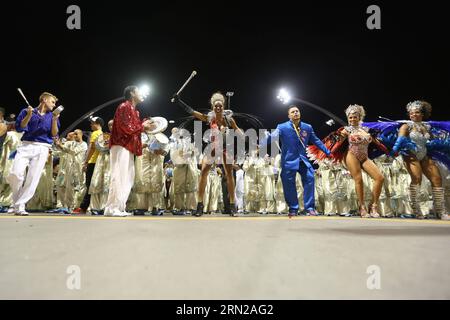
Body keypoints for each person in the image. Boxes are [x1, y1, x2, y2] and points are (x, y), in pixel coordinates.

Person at [309, 105, 389, 217]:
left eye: (354, 117)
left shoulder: (366, 130)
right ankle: (362, 207)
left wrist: (389, 150)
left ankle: (373, 205)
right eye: (350, 117)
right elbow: (335, 144)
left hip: (364, 157)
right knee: (359, 179)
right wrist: (327, 153)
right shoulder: (346, 130)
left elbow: (378, 143)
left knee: (379, 178)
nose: (352, 119)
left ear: (359, 117)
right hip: (351, 155)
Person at [173, 92, 243, 216]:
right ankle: (200, 205)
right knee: (204, 172)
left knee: (229, 175)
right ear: (213, 107)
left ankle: (232, 206)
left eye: (220, 106)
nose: (218, 108)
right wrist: (179, 102)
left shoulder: (229, 119)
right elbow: (193, 112)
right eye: (216, 106)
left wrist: (242, 135)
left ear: (223, 107)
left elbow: (237, 129)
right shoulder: (210, 118)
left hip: (226, 148)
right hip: (213, 148)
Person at [261, 105, 331, 216]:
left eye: (297, 111)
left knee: (310, 178)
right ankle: (293, 208)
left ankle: (309, 208)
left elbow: (316, 141)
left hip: (303, 160)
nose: (295, 113)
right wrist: (264, 140)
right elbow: (274, 136)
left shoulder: (307, 127)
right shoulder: (282, 127)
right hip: (288, 161)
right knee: (289, 184)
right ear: (289, 115)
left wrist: (327, 152)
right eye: (292, 112)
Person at [390, 101, 448, 220]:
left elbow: (430, 141)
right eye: (411, 113)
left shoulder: (426, 127)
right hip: (410, 155)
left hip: (424, 155)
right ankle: (416, 210)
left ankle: (441, 211)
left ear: (422, 114)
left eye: (416, 112)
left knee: (437, 178)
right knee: (417, 179)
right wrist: (394, 150)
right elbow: (400, 138)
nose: (414, 115)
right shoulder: (406, 126)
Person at [6, 92, 60, 215]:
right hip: (26, 145)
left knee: (33, 177)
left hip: (42, 147)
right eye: (52, 102)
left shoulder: (52, 115)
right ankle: (16, 202)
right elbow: (20, 127)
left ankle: (20, 205)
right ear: (44, 100)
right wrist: (29, 115)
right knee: (15, 174)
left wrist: (54, 120)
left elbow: (53, 133)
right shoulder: (26, 111)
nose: (54, 104)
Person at [103, 86, 152, 217]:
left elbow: (134, 128)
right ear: (132, 93)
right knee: (119, 176)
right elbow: (126, 127)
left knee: (127, 177)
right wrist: (142, 126)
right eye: (139, 91)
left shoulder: (134, 111)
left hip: (127, 146)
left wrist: (145, 126)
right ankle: (113, 208)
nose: (141, 94)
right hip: (121, 145)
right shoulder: (124, 106)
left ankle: (116, 207)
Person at [73, 116, 104, 213]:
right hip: (100, 162)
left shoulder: (95, 133)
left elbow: (91, 148)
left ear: (98, 123)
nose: (91, 125)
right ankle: (95, 205)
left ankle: (83, 207)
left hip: (92, 161)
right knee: (96, 184)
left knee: (89, 184)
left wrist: (86, 161)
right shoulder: (102, 134)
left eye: (92, 123)